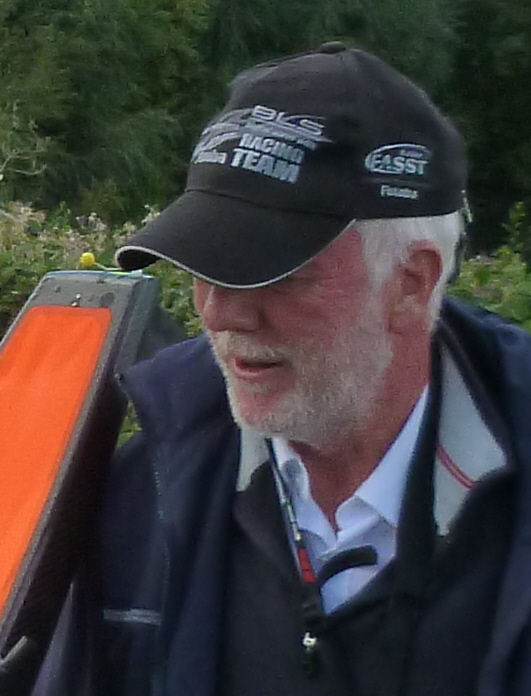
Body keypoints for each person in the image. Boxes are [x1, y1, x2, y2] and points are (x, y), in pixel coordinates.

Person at [34, 43, 531, 696]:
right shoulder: (134, 497)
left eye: (278, 275)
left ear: (410, 283)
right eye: (203, 267)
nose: (222, 313)